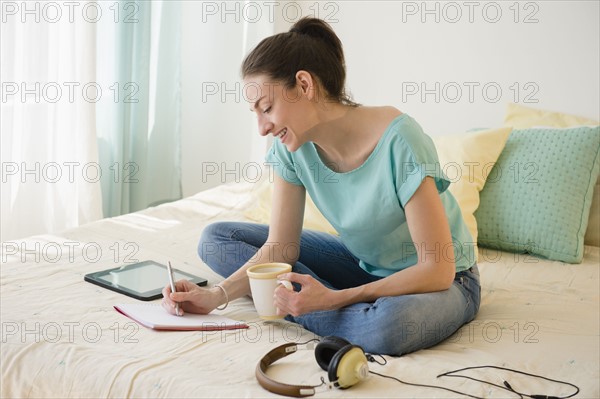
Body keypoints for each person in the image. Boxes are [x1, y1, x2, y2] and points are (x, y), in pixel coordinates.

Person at [162, 17, 480, 356]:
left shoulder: (400, 140)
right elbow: (281, 248)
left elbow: (437, 269)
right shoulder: (291, 148)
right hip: (364, 267)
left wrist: (333, 299)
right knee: (217, 239)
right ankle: (324, 307)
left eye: (267, 108)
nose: (262, 128)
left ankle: (314, 307)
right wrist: (216, 296)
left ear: (303, 84)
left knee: (390, 326)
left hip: (444, 281)